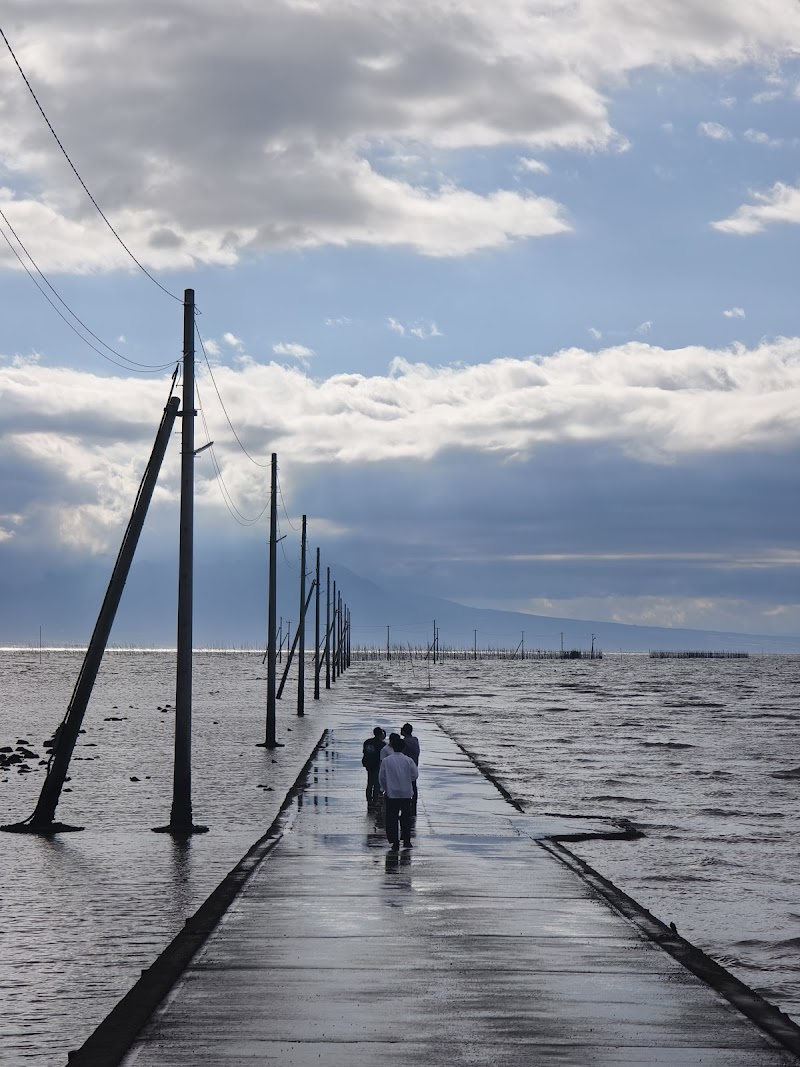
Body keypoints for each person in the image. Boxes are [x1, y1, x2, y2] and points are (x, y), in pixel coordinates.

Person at [378, 732, 418, 851]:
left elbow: (382, 777)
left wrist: (386, 788)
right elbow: (415, 775)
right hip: (406, 793)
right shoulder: (408, 760)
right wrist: (406, 780)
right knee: (406, 818)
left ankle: (394, 841)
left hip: (392, 793)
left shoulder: (386, 761)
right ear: (403, 748)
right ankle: (406, 840)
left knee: (391, 818)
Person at [361, 726, 386, 807]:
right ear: (380, 734)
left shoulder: (367, 742)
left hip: (368, 764)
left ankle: (369, 799)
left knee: (369, 783)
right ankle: (375, 799)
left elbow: (364, 752)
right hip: (377, 765)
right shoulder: (382, 744)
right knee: (376, 783)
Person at [400, 722, 420, 814]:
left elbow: (402, 753)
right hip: (415, 764)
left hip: (406, 766)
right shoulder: (415, 740)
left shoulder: (404, 742)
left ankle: (408, 801)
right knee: (413, 784)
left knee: (406, 784)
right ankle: (414, 801)